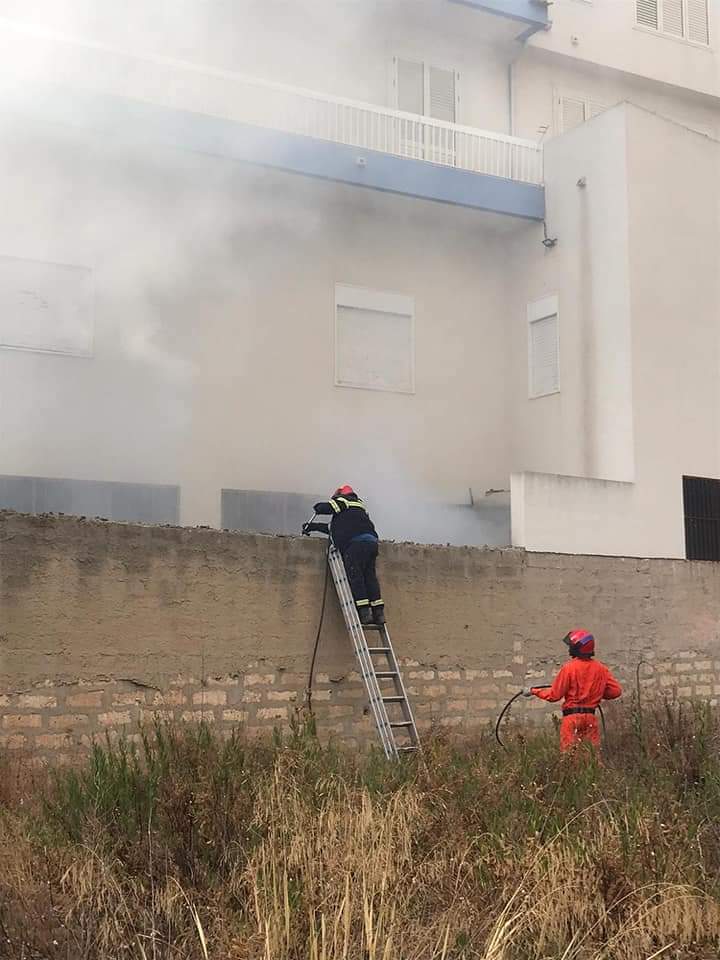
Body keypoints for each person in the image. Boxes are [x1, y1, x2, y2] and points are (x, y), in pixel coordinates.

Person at [523, 629, 622, 754]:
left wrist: (534, 691)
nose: (569, 648)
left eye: (571, 645)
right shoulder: (601, 668)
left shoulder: (569, 668)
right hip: (590, 718)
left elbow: (554, 695)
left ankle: (571, 773)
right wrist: (597, 692)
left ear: (577, 648)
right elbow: (616, 691)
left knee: (569, 757)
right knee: (591, 757)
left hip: (572, 718)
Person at [302, 485, 385, 627]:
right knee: (369, 577)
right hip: (371, 544)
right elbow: (334, 529)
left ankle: (364, 612)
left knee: (356, 576)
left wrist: (317, 507)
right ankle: (378, 613)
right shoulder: (356, 510)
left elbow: (324, 508)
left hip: (356, 545)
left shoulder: (344, 501)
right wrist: (312, 527)